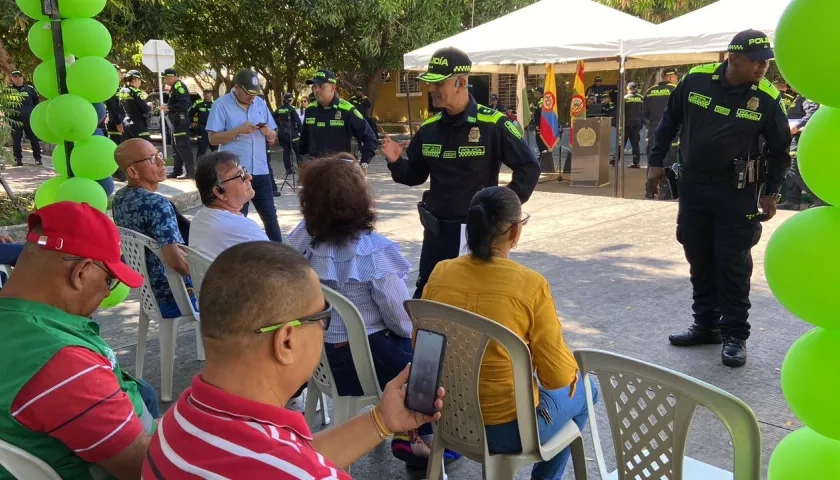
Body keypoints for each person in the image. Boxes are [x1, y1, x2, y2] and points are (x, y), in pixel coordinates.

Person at [141, 241, 445, 479]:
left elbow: (294, 456)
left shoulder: (176, 422)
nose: (325, 327)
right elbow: (293, 466)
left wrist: (381, 421)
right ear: (286, 340)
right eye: (323, 316)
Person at [422, 186, 595, 480]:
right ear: (514, 232)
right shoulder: (530, 285)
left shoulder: (440, 273)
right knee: (589, 391)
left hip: (449, 419)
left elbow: (423, 346)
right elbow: (557, 377)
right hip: (508, 430)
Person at [647, 30, 792, 367]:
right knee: (697, 253)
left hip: (737, 192)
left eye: (766, 61)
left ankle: (735, 336)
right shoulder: (695, 80)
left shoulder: (767, 98)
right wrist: (655, 162)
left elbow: (780, 151)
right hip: (694, 188)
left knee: (732, 261)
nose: (763, 67)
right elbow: (669, 121)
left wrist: (770, 192)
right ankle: (706, 325)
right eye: (756, 61)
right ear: (733, 58)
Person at [0, 201, 157, 479]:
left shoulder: (17, 324)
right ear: (81, 273)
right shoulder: (63, 362)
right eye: (109, 280)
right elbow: (147, 469)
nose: (107, 294)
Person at [381, 47, 540, 298]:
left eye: (438, 83)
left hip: (476, 234)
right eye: (429, 83)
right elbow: (414, 175)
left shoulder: (493, 124)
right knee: (429, 299)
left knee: (474, 301)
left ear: (461, 82)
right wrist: (395, 161)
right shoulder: (429, 129)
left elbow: (529, 168)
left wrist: (501, 209)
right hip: (437, 233)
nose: (431, 89)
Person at [112, 138, 196, 318]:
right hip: (178, 298)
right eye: (152, 159)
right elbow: (178, 263)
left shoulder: (120, 198)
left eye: (158, 155)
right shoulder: (157, 204)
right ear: (133, 171)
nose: (161, 161)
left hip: (148, 294)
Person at [206, 69, 283, 242]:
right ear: (237, 88)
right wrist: (238, 131)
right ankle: (237, 259)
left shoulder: (260, 104)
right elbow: (212, 138)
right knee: (237, 219)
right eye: (248, 93)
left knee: (270, 217)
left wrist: (268, 132)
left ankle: (281, 257)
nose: (252, 98)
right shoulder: (221, 104)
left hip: (261, 171)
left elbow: (273, 138)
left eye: (255, 94)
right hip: (234, 176)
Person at [190, 151, 269, 258]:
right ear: (219, 192)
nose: (249, 177)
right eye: (239, 175)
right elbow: (278, 268)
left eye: (244, 171)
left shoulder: (199, 219)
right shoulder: (243, 228)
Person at [299, 69, 378, 173]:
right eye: (314, 86)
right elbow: (304, 141)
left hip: (341, 173)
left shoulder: (347, 110)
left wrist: (364, 163)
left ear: (333, 88)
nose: (316, 90)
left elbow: (370, 138)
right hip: (316, 172)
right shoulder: (310, 110)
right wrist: (301, 162)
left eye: (321, 86)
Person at [643, 67, 680, 199]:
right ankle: (666, 192)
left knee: (653, 160)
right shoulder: (676, 90)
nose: (677, 79)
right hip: (671, 129)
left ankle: (649, 190)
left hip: (653, 129)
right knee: (669, 161)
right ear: (670, 77)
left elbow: (645, 114)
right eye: (676, 77)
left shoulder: (649, 91)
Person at [778, 99, 822, 210]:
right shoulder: (799, 97)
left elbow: (812, 113)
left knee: (794, 169)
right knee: (789, 170)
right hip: (792, 138)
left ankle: (819, 196)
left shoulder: (808, 97)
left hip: (799, 138)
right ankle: (792, 200)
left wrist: (797, 126)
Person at [160, 68, 195, 179]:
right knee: (176, 146)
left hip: (181, 121)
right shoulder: (174, 87)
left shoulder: (179, 86)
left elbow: (184, 105)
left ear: (170, 77)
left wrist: (168, 107)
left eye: (166, 78)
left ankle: (190, 171)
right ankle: (177, 170)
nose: (165, 80)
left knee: (183, 146)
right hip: (175, 121)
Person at [8, 70, 42, 166]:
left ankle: (38, 158)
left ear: (23, 77)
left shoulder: (30, 89)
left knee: (33, 139)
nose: (18, 78)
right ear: (12, 78)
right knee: (16, 140)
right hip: (15, 119)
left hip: (29, 118)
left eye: (19, 76)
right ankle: (18, 159)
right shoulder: (8, 90)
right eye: (15, 77)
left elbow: (36, 102)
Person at [118, 70, 151, 140]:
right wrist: (149, 106)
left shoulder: (122, 91)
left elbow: (120, 108)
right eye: (140, 81)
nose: (140, 83)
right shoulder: (136, 91)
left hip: (126, 124)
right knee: (145, 147)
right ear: (136, 79)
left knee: (131, 148)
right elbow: (144, 108)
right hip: (138, 124)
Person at [274, 92, 302, 175]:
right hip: (291, 132)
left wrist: (279, 124)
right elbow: (298, 121)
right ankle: (301, 169)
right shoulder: (291, 109)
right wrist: (301, 131)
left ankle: (288, 170)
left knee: (286, 151)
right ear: (290, 100)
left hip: (281, 133)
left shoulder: (279, 109)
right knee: (298, 151)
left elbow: (272, 117)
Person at [189, 88, 217, 158]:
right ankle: (199, 166)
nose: (207, 95)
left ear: (211, 94)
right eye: (206, 93)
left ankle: (216, 167)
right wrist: (192, 122)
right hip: (202, 128)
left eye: (209, 93)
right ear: (203, 94)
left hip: (213, 129)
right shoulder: (198, 103)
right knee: (201, 148)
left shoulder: (216, 104)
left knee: (215, 149)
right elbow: (189, 113)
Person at [623, 82, 643, 168]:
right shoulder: (641, 98)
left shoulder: (625, 98)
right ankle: (636, 162)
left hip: (627, 123)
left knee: (622, 142)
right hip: (637, 123)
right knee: (635, 143)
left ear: (628, 88)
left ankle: (615, 160)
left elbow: (621, 112)